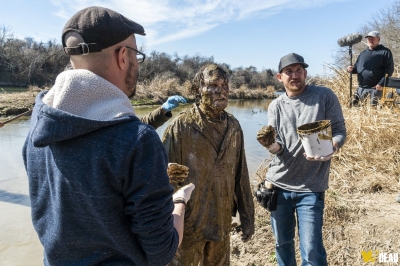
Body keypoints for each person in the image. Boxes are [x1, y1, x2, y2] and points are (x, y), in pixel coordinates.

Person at [22, 6, 195, 265]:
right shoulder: (137, 142)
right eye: (137, 54)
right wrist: (178, 201)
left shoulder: (39, 122)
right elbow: (162, 251)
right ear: (123, 56)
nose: (137, 62)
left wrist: (161, 112)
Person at [258, 53, 346, 265]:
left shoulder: (324, 96)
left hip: (312, 187)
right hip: (279, 186)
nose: (294, 75)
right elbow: (280, 147)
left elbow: (340, 130)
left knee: (312, 251)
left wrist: (333, 146)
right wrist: (271, 146)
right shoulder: (275, 106)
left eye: (299, 70)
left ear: (305, 73)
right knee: (282, 244)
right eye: (289, 72)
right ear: (280, 77)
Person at [162, 63, 255, 265]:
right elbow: (162, 179)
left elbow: (241, 176)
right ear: (198, 89)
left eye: (225, 84)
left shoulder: (234, 127)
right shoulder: (181, 126)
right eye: (213, 84)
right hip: (187, 225)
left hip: (221, 223)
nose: (222, 91)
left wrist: (247, 218)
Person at [347, 30, 394, 106]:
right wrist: (351, 70)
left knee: (374, 111)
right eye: (369, 38)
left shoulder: (385, 52)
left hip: (375, 89)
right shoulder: (363, 54)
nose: (370, 40)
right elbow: (356, 69)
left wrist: (381, 83)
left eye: (373, 38)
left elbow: (389, 70)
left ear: (378, 39)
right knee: (358, 109)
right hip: (361, 88)